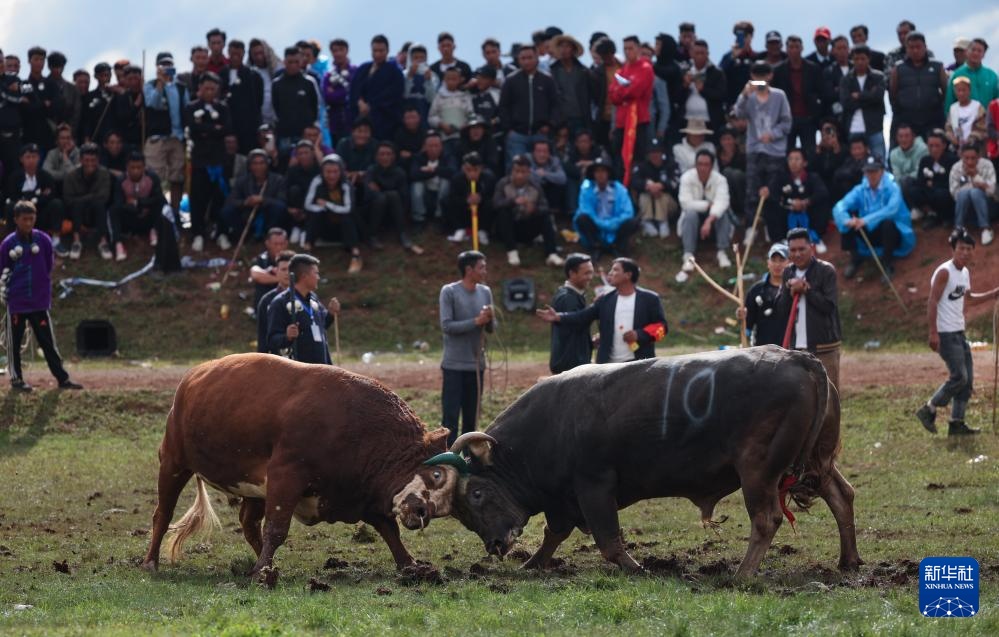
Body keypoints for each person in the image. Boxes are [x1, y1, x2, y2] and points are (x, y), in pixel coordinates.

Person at [916, 227, 999, 436]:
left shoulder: (964, 273)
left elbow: (968, 298)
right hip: (945, 332)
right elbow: (932, 301)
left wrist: (993, 294)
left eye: (969, 249)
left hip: (959, 331)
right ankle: (929, 408)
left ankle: (956, 423)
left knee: (967, 380)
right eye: (961, 248)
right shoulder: (945, 271)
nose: (965, 252)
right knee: (959, 377)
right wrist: (933, 332)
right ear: (953, 249)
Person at [0, 201, 83, 391]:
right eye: (24, 219)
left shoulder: (43, 240)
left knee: (48, 343)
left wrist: (41, 289)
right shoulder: (8, 245)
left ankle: (62, 379)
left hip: (38, 301)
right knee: (14, 345)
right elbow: (3, 269)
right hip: (17, 303)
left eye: (31, 219)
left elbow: (48, 266)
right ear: (16, 220)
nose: (28, 223)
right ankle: (16, 380)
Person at [537, 257, 667, 364]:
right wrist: (558, 317)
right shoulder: (605, 300)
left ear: (628, 275)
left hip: (640, 364)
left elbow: (662, 329)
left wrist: (640, 334)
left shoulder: (650, 299)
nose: (610, 273)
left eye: (615, 270)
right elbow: (582, 316)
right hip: (608, 366)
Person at [439, 250, 494, 446]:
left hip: (476, 365)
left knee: (471, 419)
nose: (485, 271)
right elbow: (447, 326)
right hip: (454, 365)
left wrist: (489, 319)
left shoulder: (485, 292)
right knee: (450, 417)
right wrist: (476, 321)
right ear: (469, 270)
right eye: (482, 267)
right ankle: (448, 459)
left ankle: (469, 460)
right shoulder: (449, 291)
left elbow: (491, 329)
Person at [777, 227, 842, 391]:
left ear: (811, 248)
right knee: (799, 397)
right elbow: (781, 310)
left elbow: (829, 306)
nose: (797, 254)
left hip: (823, 347)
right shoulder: (788, 272)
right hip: (796, 349)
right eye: (793, 250)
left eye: (801, 249)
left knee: (828, 396)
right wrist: (790, 292)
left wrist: (807, 290)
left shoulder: (826, 270)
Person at [733, 62, 791, 239]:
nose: (760, 79)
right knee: (752, 191)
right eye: (756, 76)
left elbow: (787, 123)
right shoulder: (748, 97)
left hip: (775, 151)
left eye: (763, 75)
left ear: (770, 76)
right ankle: (751, 228)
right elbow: (738, 114)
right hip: (754, 150)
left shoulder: (779, 96)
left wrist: (772, 135)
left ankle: (771, 230)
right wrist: (743, 95)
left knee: (773, 192)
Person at [833, 156, 915, 280]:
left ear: (882, 171)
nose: (871, 175)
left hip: (892, 233)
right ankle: (855, 258)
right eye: (868, 171)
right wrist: (847, 220)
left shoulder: (892, 188)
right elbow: (840, 206)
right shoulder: (860, 189)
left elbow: (891, 210)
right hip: (869, 231)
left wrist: (866, 220)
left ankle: (887, 263)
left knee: (888, 224)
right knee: (847, 221)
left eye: (874, 171)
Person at [183, 72, 231, 252]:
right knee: (197, 199)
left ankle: (220, 232)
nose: (210, 92)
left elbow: (226, 129)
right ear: (200, 89)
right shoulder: (191, 107)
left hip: (219, 160)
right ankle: (198, 234)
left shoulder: (223, 108)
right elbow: (193, 128)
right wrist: (213, 129)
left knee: (220, 198)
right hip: (200, 161)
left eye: (213, 88)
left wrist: (207, 130)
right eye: (206, 88)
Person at [266, 253, 340, 364]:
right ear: (304, 276)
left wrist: (331, 313)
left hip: (322, 369)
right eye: (316, 273)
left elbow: (323, 325)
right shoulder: (280, 303)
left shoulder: (313, 299)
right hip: (299, 374)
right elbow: (272, 340)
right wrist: (287, 337)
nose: (318, 277)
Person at [492, 154, 561, 266]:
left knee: (545, 217)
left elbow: (545, 207)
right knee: (503, 213)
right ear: (512, 171)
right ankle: (512, 251)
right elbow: (495, 203)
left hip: (527, 225)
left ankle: (552, 253)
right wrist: (512, 202)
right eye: (517, 171)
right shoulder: (503, 183)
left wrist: (534, 209)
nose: (519, 175)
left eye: (523, 172)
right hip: (508, 227)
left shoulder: (535, 186)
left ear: (528, 172)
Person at [499, 45, 560, 169]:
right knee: (517, 169)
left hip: (541, 134)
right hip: (517, 135)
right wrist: (508, 129)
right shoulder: (511, 81)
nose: (526, 61)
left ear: (537, 58)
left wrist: (550, 124)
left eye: (530, 57)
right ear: (518, 60)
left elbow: (555, 104)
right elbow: (503, 106)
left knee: (543, 171)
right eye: (523, 58)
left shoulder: (547, 80)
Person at [677, 149, 732, 276]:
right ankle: (688, 255)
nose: (702, 168)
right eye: (700, 164)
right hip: (693, 222)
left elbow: (723, 202)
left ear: (712, 166)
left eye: (706, 164)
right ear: (695, 165)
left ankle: (722, 252)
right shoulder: (686, 177)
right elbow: (685, 202)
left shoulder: (720, 179)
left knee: (722, 213)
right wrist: (707, 205)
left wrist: (709, 220)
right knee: (690, 213)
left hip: (712, 224)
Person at [143, 52, 188, 211]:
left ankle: (175, 212)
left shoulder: (181, 87)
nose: (167, 67)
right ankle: (158, 210)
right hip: (158, 138)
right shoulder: (150, 85)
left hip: (177, 138)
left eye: (169, 64)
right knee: (156, 177)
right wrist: (160, 84)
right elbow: (152, 103)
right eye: (163, 64)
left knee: (177, 177)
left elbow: (186, 109)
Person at [304, 154, 363, 272]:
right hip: (325, 225)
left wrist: (327, 205)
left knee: (347, 218)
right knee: (316, 214)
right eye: (328, 172)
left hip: (344, 227)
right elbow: (307, 204)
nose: (331, 176)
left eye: (335, 172)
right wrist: (322, 208)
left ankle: (356, 255)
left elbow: (348, 208)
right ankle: (306, 253)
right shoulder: (317, 181)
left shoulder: (346, 184)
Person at [573, 157, 640, 259]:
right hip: (596, 226)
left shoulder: (620, 189)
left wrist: (612, 223)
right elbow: (586, 210)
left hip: (615, 226)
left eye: (603, 171)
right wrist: (602, 224)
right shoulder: (586, 189)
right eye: (597, 171)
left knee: (632, 222)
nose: (600, 174)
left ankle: (618, 246)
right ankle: (596, 246)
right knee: (582, 219)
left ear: (609, 173)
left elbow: (628, 212)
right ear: (593, 174)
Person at [766, 147, 830, 252]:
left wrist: (806, 202)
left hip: (808, 214)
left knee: (822, 202)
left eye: (797, 159)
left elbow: (822, 192)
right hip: (788, 214)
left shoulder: (813, 177)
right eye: (790, 159)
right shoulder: (781, 177)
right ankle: (782, 240)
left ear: (805, 163)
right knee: (769, 203)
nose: (793, 162)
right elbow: (773, 193)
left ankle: (815, 238)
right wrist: (790, 203)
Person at [220, 149, 287, 247]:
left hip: (268, 215)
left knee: (278, 208)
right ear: (250, 166)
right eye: (255, 164)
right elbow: (231, 201)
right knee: (227, 211)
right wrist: (246, 202)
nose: (258, 167)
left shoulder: (278, 180)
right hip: (247, 214)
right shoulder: (242, 181)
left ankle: (268, 236)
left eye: (262, 163)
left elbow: (282, 202)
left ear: (267, 164)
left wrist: (263, 200)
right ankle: (242, 235)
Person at [363, 141, 422, 254]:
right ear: (376, 156)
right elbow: (368, 193)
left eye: (388, 154)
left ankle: (402, 234)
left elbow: (404, 198)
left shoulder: (399, 172)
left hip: (395, 210)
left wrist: (381, 190)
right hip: (373, 210)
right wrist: (384, 194)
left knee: (393, 196)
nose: (385, 157)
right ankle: (372, 236)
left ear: (394, 156)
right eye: (382, 154)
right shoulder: (371, 170)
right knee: (383, 198)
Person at [609, 36, 655, 179]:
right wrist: (625, 92)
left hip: (638, 121)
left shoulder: (645, 68)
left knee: (638, 160)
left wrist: (622, 92)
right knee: (618, 160)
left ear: (639, 49)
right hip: (621, 122)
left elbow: (636, 91)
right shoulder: (622, 71)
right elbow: (612, 95)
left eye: (631, 48)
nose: (628, 52)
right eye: (625, 49)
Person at [108, 151, 167, 261]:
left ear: (144, 167)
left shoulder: (152, 178)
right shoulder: (121, 180)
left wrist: (138, 202)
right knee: (113, 210)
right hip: (130, 218)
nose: (135, 171)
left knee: (162, 204)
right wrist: (136, 207)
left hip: (149, 217)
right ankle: (118, 244)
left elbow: (158, 198)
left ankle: (155, 230)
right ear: (127, 167)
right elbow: (119, 203)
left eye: (139, 167)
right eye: (132, 167)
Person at [888, 32, 946, 140]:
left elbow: (945, 91)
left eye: (918, 47)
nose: (915, 50)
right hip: (907, 122)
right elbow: (893, 94)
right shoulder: (898, 68)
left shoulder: (937, 66)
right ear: (906, 49)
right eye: (911, 47)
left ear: (925, 47)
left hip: (933, 120)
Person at [771, 35, 822, 157]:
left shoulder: (813, 68)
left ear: (802, 48)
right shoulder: (777, 70)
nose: (794, 50)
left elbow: (821, 92)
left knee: (810, 154)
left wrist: (816, 114)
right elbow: (771, 93)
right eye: (791, 47)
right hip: (787, 119)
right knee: (786, 153)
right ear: (786, 49)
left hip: (808, 118)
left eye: (797, 47)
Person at [3, 144, 63, 244]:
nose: (31, 160)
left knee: (56, 203)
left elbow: (50, 195)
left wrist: (29, 198)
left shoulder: (46, 176)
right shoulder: (14, 177)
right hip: (21, 214)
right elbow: (13, 197)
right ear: (21, 159)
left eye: (34, 157)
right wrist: (37, 196)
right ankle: (13, 240)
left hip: (40, 213)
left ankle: (56, 240)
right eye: (28, 157)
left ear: (39, 158)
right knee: (10, 206)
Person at [350, 35, 405, 141]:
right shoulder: (363, 68)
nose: (378, 54)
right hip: (361, 120)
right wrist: (359, 101)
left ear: (387, 51)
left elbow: (394, 95)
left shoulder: (395, 72)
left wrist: (371, 105)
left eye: (381, 51)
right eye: (375, 50)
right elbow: (354, 89)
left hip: (384, 122)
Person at [62, 143, 111, 260]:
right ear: (81, 160)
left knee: (99, 204)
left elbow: (105, 197)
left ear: (98, 160)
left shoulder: (104, 174)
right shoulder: (71, 176)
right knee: (77, 204)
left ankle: (103, 242)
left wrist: (85, 198)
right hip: (77, 213)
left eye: (93, 160)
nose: (90, 163)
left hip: (96, 211)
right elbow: (68, 200)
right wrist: (89, 197)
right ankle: (76, 241)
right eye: (87, 160)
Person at [547, 252, 595, 373]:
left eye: (591, 272)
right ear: (572, 273)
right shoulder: (568, 298)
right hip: (570, 366)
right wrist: (597, 308)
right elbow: (577, 323)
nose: (590, 277)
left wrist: (590, 342)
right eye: (586, 273)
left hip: (571, 363)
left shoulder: (573, 295)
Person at [736, 242, 790, 346]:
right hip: (762, 351)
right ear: (768, 263)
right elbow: (747, 325)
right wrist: (741, 316)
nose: (777, 264)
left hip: (790, 350)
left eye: (781, 260)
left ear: (789, 263)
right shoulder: (756, 290)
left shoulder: (793, 289)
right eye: (773, 260)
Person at [840, 46, 886, 164]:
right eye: (856, 59)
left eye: (862, 58)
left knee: (879, 161)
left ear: (868, 59)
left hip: (874, 127)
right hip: (853, 128)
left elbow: (878, 97)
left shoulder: (878, 76)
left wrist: (858, 96)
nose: (859, 62)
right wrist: (868, 95)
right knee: (854, 165)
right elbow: (846, 102)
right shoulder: (846, 79)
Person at [272, 47, 321, 153]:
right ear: (284, 62)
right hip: (284, 135)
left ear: (301, 61)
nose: (293, 65)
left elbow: (316, 107)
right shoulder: (276, 84)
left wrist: (312, 128)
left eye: (296, 62)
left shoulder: (309, 82)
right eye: (290, 62)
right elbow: (275, 108)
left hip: (306, 136)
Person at [630, 138, 680, 239]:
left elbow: (676, 183)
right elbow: (634, 182)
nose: (655, 155)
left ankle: (662, 222)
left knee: (661, 194)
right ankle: (647, 222)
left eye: (657, 152)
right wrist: (648, 185)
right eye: (652, 152)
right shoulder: (642, 166)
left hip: (669, 207)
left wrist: (662, 186)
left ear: (662, 153)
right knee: (646, 194)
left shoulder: (671, 164)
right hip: (647, 203)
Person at [907, 129, 957, 229]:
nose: (934, 149)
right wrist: (930, 184)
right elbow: (920, 180)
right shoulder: (925, 160)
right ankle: (931, 214)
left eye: (937, 146)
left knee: (941, 194)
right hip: (929, 192)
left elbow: (951, 183)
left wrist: (933, 183)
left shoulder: (952, 160)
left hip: (946, 195)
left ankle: (946, 217)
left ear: (944, 146)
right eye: (930, 146)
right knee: (913, 190)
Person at [948, 143, 995, 246]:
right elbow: (954, 193)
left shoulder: (987, 165)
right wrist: (970, 189)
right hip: (965, 207)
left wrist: (975, 176)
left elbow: (992, 191)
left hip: (986, 206)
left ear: (979, 156)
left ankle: (985, 228)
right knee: (965, 193)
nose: (970, 162)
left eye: (973, 158)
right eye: (966, 158)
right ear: (961, 156)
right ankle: (959, 228)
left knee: (975, 193)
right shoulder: (956, 168)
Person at [444, 151, 494, 245]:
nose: (472, 174)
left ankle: (482, 231)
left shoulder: (488, 179)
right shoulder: (456, 179)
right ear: (463, 168)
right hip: (463, 211)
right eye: (468, 170)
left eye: (475, 170)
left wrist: (480, 197)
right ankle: (459, 229)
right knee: (446, 201)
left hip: (481, 212)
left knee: (490, 204)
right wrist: (466, 200)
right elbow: (453, 197)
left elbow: (491, 196)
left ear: (481, 168)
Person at [224, 40, 264, 155]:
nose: (235, 58)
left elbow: (258, 102)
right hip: (228, 127)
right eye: (233, 54)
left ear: (244, 54)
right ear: (228, 53)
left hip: (248, 127)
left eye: (239, 54)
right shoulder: (222, 74)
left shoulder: (253, 76)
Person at [409, 131, 456, 227]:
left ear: (441, 146)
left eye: (436, 145)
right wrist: (435, 173)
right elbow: (413, 174)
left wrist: (432, 170)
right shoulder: (418, 157)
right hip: (425, 194)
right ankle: (419, 219)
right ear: (425, 147)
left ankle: (440, 217)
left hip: (441, 195)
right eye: (430, 146)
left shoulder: (448, 156)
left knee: (446, 182)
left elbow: (453, 172)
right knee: (416, 185)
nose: (433, 149)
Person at [550, 34, 592, 135]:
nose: (563, 50)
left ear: (573, 50)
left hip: (581, 117)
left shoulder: (583, 71)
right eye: (561, 46)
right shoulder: (552, 71)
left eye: (567, 46)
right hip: (560, 120)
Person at [256, 249, 295, 352]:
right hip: (277, 359)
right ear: (276, 271)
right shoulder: (267, 300)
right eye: (283, 269)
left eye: (291, 269)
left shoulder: (307, 297)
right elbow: (262, 334)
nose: (287, 273)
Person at [427, 66, 473, 152]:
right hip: (444, 138)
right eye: (449, 79)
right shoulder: (439, 97)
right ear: (444, 79)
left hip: (462, 138)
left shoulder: (465, 96)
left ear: (460, 80)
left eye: (454, 79)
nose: (451, 81)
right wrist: (441, 124)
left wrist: (465, 126)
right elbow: (431, 117)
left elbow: (471, 115)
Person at [945, 39, 998, 112]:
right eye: (973, 50)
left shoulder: (992, 76)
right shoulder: (957, 75)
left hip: (987, 121)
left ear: (984, 54)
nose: (976, 53)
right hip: (963, 121)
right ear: (967, 52)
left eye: (979, 51)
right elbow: (949, 103)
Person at [323, 39, 356, 145]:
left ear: (347, 51)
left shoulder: (356, 71)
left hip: (354, 122)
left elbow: (356, 93)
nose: (338, 53)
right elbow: (328, 97)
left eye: (341, 50)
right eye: (335, 51)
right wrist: (345, 94)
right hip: (335, 124)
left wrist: (336, 92)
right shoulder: (328, 76)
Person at [888, 124, 928, 204]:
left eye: (907, 136)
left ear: (913, 137)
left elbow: (919, 173)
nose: (904, 139)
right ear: (896, 138)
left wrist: (906, 177)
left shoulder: (923, 149)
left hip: (921, 183)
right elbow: (897, 177)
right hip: (902, 185)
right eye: (901, 136)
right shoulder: (893, 153)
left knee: (905, 181)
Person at [527, 139, 567, 217]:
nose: (542, 154)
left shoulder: (554, 160)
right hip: (531, 193)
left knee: (559, 185)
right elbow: (527, 176)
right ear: (533, 152)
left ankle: (552, 213)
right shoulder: (527, 159)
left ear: (549, 153)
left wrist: (545, 174)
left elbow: (563, 178)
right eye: (538, 151)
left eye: (545, 151)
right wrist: (539, 176)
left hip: (548, 191)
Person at [945, 77, 987, 148]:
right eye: (958, 90)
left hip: (974, 146)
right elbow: (948, 128)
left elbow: (982, 128)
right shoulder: (953, 108)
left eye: (964, 90)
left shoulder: (977, 106)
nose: (961, 93)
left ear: (969, 91)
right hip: (956, 146)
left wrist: (970, 139)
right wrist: (953, 138)